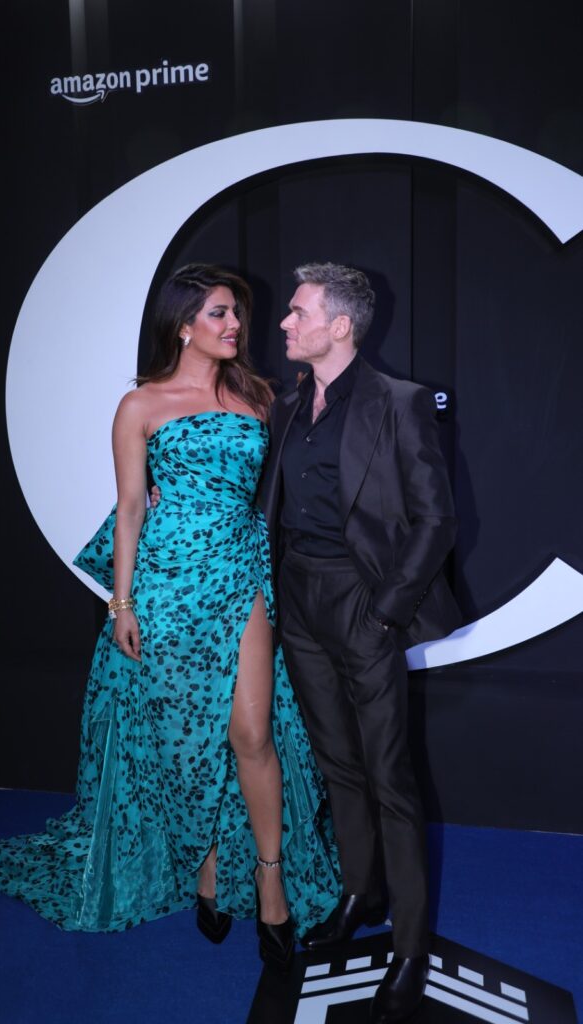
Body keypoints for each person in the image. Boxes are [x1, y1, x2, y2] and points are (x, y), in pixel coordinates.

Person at [0, 264, 340, 969]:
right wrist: (121, 603)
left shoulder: (259, 396)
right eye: (218, 313)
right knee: (187, 740)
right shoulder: (140, 405)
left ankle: (271, 882)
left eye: (236, 312)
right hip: (167, 587)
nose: (235, 324)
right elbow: (132, 510)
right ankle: (209, 865)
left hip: (240, 576)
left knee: (252, 732)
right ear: (183, 326)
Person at [261, 263, 462, 1022]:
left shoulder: (399, 402)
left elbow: (436, 521)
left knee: (389, 777)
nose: (285, 322)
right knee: (337, 763)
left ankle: (409, 948)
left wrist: (385, 612)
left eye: (299, 312)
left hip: (362, 601)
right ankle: (360, 893)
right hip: (298, 600)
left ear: (340, 326)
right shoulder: (287, 405)